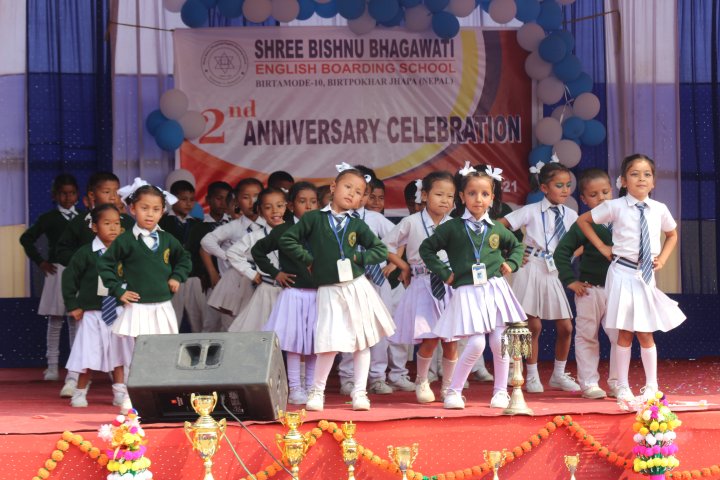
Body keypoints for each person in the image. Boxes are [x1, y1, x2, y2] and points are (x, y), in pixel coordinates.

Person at [279, 165, 395, 411]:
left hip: (356, 286)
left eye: (358, 192)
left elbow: (380, 249)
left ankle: (360, 392)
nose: (352, 193)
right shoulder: (314, 219)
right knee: (328, 342)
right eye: (347, 187)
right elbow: (287, 239)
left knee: (361, 342)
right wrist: (308, 259)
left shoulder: (357, 224)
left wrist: (359, 258)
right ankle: (317, 392)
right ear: (333, 187)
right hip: (329, 289)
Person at [577, 154, 686, 405]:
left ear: (654, 182)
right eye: (634, 174)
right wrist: (603, 247)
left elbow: (672, 234)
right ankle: (623, 386)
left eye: (647, 174)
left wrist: (663, 258)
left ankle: (652, 386)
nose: (641, 179)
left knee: (645, 332)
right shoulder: (615, 206)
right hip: (622, 273)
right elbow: (583, 221)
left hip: (644, 276)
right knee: (624, 331)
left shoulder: (659, 209)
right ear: (624, 181)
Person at [420, 163, 525, 409]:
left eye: (485, 194)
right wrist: (445, 273)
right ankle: (454, 391)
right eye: (472, 193)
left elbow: (517, 246)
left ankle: (501, 392)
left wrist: (511, 263)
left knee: (499, 341)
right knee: (477, 343)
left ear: (492, 198)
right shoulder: (452, 227)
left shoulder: (496, 228)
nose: (479, 199)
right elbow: (427, 249)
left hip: (495, 289)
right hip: (468, 290)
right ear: (462, 196)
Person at [499, 161, 580, 394]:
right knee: (531, 325)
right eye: (559, 185)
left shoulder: (571, 215)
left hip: (553, 270)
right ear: (544, 188)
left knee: (566, 326)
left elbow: (582, 241)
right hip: (530, 267)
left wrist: (567, 256)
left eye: (568, 185)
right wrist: (512, 250)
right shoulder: (531, 210)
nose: (565, 190)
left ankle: (558, 374)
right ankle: (531, 375)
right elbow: (499, 226)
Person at [53, 171, 135, 397]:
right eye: (106, 191)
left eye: (116, 192)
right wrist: (86, 266)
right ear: (92, 195)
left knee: (120, 346)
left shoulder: (128, 223)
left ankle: (122, 388)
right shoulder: (81, 223)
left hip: (117, 303)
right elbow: (62, 250)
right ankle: (74, 381)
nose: (113, 196)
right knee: (86, 346)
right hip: (90, 301)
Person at [384, 171, 460, 403]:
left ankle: (449, 386)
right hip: (423, 284)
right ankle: (422, 380)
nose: (445, 200)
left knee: (451, 340)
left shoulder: (455, 224)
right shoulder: (412, 222)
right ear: (424, 195)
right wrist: (403, 265)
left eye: (450, 196)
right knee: (429, 338)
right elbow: (385, 245)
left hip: (449, 286)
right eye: (439, 194)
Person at [337, 173, 412, 397]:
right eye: (353, 191)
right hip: (348, 280)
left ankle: (377, 377)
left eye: (363, 193)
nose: (359, 197)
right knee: (350, 329)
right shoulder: (336, 218)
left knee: (380, 329)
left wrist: (395, 263)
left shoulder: (375, 218)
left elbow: (402, 237)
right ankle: (348, 378)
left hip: (377, 280)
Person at [98, 180, 192, 340]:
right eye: (144, 208)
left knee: (163, 347)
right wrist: (118, 290)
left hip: (163, 304)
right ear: (133, 209)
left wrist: (177, 276)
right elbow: (104, 264)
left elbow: (185, 258)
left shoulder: (167, 239)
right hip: (137, 306)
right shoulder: (125, 240)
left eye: (156, 209)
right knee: (141, 348)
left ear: (162, 212)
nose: (150, 214)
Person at [554, 169, 619, 399]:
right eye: (593, 195)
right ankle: (589, 384)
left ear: (613, 191)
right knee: (586, 336)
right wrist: (570, 281)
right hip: (590, 290)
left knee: (619, 337)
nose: (601, 198)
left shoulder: (623, 219)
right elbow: (561, 252)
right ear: (583, 199)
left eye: (605, 192)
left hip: (619, 289)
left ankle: (618, 383)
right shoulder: (584, 224)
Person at [252, 182, 319, 405]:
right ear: (291, 205)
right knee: (293, 344)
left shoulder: (322, 229)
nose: (308, 206)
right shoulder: (283, 230)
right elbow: (258, 251)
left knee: (314, 344)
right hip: (294, 294)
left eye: (313, 202)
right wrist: (276, 273)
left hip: (319, 294)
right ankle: (295, 388)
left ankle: (312, 387)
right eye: (302, 201)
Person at [20, 174, 79, 383]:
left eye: (72, 193)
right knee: (55, 320)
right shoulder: (49, 218)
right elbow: (26, 238)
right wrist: (40, 261)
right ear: (55, 195)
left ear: (78, 195)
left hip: (79, 272)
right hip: (58, 271)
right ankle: (52, 366)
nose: (68, 197)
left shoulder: (85, 217)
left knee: (76, 321)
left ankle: (75, 368)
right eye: (63, 193)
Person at [201, 178, 264, 329]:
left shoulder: (269, 225)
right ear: (236, 201)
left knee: (260, 323)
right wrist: (228, 257)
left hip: (263, 279)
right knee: (234, 324)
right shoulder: (234, 226)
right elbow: (207, 241)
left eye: (256, 196)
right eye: (246, 197)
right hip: (238, 280)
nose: (252, 202)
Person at [226, 187, 288, 332]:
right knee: (260, 332)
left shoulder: (297, 232)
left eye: (279, 206)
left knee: (288, 334)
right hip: (267, 290)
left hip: (290, 292)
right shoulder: (255, 236)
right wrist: (251, 273)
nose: (275, 211)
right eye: (268, 207)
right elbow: (232, 253)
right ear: (260, 211)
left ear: (287, 206)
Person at [179, 181, 233, 332]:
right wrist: (203, 274)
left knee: (228, 325)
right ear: (208, 200)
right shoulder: (198, 226)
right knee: (206, 325)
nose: (223, 203)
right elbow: (191, 253)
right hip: (205, 282)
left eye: (227, 199)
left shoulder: (234, 223)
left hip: (230, 280)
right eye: (219, 198)